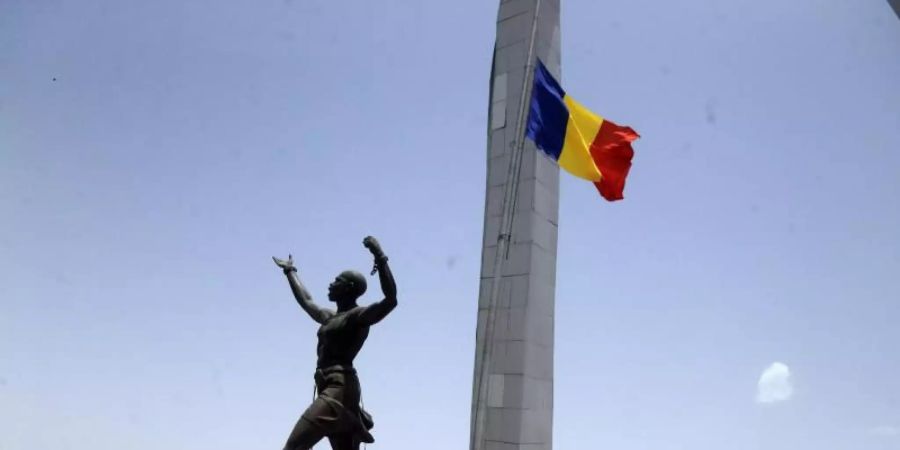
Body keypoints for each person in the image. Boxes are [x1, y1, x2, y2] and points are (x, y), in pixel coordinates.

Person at [272, 236, 397, 450]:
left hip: (339, 388)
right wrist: (290, 271)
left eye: (337, 281)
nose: (331, 284)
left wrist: (380, 256)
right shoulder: (330, 317)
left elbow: (390, 300)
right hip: (327, 385)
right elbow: (307, 301)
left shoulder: (357, 316)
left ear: (349, 287)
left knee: (293, 447)